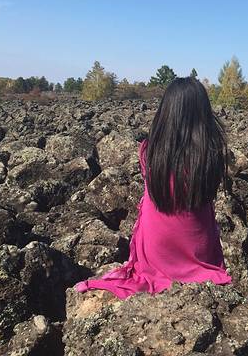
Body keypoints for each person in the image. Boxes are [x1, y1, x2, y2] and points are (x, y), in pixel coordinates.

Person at [75, 77, 232, 299]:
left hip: (156, 250)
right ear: (204, 114)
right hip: (198, 248)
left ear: (165, 112)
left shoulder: (149, 151)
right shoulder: (211, 155)